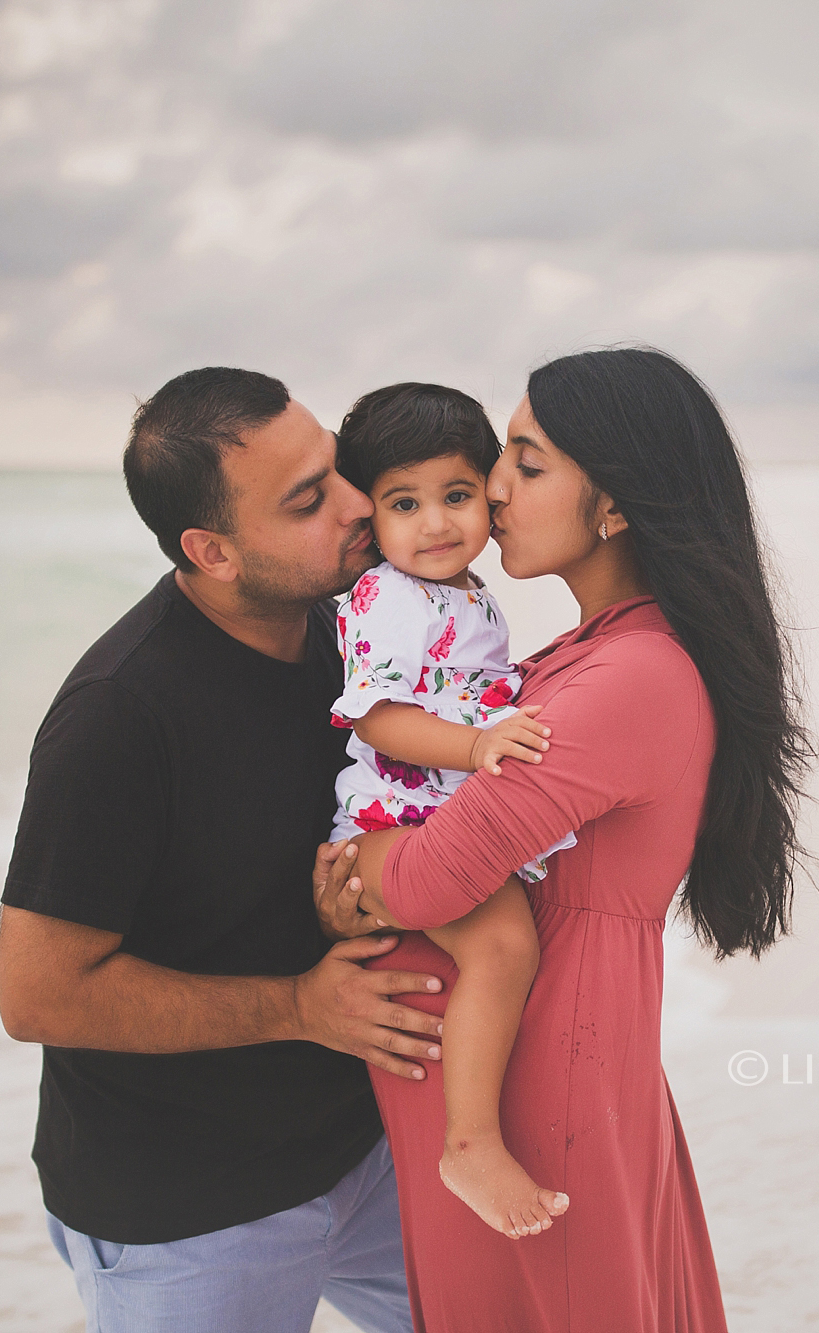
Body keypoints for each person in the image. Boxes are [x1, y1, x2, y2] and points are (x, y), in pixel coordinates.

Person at [318, 347, 814, 1330]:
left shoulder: (627, 677)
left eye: (525, 460)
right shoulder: (571, 657)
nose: (492, 487)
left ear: (614, 503)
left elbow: (423, 882)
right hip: (518, 1064)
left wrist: (358, 874)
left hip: (539, 1084)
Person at [0, 367, 444, 1333]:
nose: (359, 505)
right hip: (186, 1206)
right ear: (214, 549)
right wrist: (297, 1003)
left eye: (337, 471)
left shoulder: (354, 632)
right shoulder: (118, 716)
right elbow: (38, 992)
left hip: (368, 1148)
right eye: (308, 499)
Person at [326, 383, 578, 1240]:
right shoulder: (387, 597)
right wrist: (477, 748)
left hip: (429, 811)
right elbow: (376, 715)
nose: (435, 523)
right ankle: (468, 1141)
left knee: (501, 950)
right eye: (406, 503)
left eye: (456, 496)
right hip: (393, 818)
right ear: (371, 515)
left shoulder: (466, 594)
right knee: (505, 945)